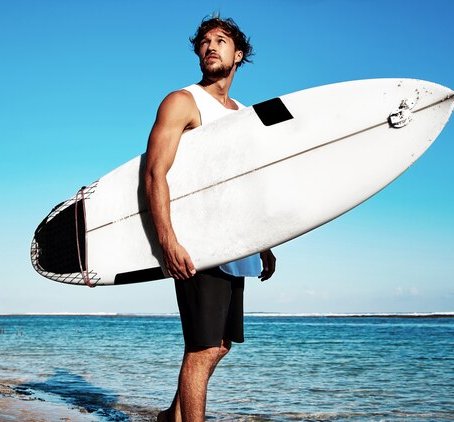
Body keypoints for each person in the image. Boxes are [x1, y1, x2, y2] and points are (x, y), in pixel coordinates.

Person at [144, 16, 277, 421]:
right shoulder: (182, 102)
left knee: (219, 344)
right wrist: (167, 240)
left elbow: (246, 185)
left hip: (235, 243)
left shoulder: (245, 114)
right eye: (204, 42)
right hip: (197, 241)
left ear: (239, 55)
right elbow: (154, 173)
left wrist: (265, 241)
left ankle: (171, 417)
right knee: (201, 348)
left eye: (221, 41)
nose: (210, 46)